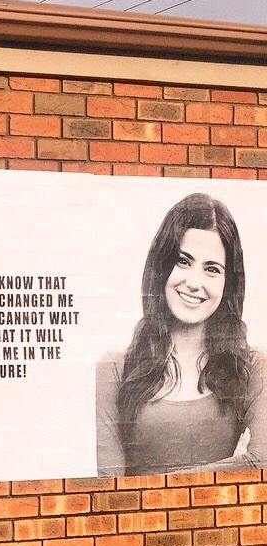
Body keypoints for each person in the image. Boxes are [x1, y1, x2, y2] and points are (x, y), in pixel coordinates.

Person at [96, 192, 267, 476]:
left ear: (228, 283)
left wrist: (144, 483)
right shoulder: (113, 370)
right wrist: (234, 467)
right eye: (183, 261)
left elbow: (262, 464)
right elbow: (108, 489)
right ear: (161, 266)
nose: (194, 283)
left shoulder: (253, 368)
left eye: (212, 269)